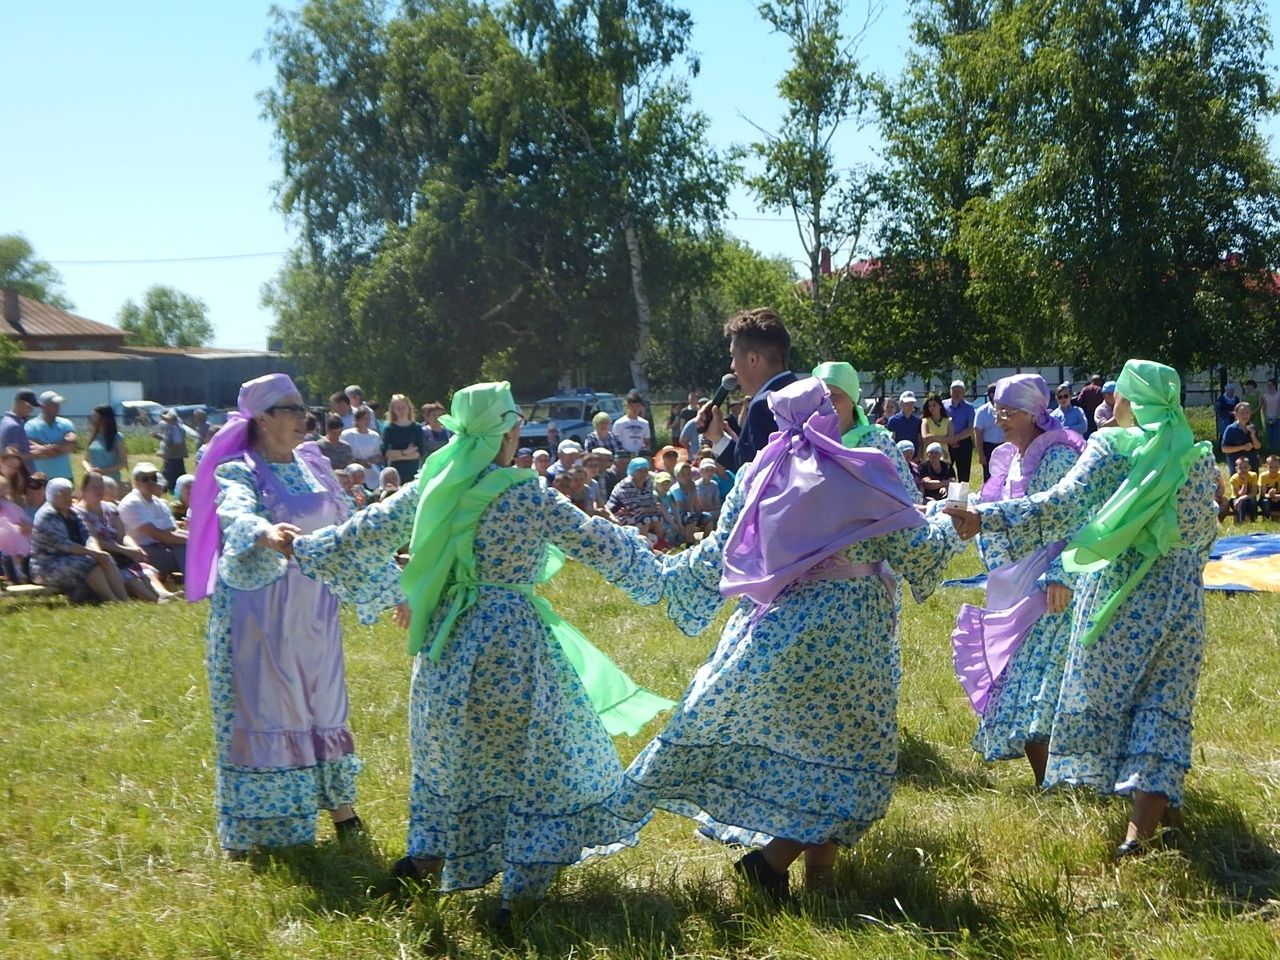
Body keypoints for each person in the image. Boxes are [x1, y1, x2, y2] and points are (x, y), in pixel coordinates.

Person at [293, 381, 671, 921]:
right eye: (515, 422)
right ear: (507, 431)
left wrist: (304, 545)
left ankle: (427, 858)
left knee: (453, 755)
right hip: (511, 641)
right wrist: (667, 573)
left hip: (447, 641)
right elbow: (596, 542)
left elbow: (366, 532)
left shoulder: (433, 482)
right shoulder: (526, 493)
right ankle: (518, 891)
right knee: (533, 762)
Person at [617, 378, 959, 898]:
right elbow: (917, 552)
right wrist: (955, 524)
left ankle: (820, 879)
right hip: (849, 634)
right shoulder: (856, 470)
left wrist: (658, 574)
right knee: (854, 757)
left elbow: (717, 555)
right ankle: (771, 864)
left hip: (780, 631)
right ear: (826, 411)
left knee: (815, 752)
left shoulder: (760, 472)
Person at [946, 360, 1218, 857]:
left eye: (1118, 395)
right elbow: (1203, 535)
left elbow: (1058, 506)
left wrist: (981, 518)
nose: (1108, 403)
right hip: (1182, 603)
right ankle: (1147, 826)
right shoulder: (1195, 456)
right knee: (1163, 704)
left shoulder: (1111, 449)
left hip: (1119, 601)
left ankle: (1135, 814)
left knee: (1110, 707)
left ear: (1131, 401)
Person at [186, 373, 412, 856]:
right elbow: (234, 511)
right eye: (290, 408)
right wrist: (263, 533)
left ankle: (342, 812)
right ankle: (269, 828)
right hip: (262, 610)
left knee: (324, 703)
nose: (302, 416)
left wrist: (396, 584)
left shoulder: (313, 465)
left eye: (301, 406)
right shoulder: (238, 468)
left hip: (314, 608)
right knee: (274, 706)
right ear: (263, 418)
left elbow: (345, 532)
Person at [949, 374, 1086, 784]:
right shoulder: (1009, 458)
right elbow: (996, 508)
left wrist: (1061, 575)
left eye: (1008, 412)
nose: (1000, 419)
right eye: (996, 411)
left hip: (1047, 588)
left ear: (1032, 412)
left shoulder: (1057, 457)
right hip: (1013, 587)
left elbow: (1073, 516)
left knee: (1036, 691)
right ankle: (1053, 785)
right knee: (1020, 689)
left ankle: (1059, 785)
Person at [698, 307, 797, 471]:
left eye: (733, 356)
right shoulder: (812, 395)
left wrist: (718, 438)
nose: (732, 366)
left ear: (752, 359)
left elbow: (753, 476)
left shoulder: (764, 406)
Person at [812, 361, 921, 503]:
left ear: (852, 400)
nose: (826, 401)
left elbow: (911, 497)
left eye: (834, 394)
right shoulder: (807, 445)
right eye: (820, 396)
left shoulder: (878, 443)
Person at [75, 471, 172, 602]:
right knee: (130, 576)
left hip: (121, 553)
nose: (99, 490)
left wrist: (133, 548)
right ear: (83, 490)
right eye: (94, 487)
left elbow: (123, 535)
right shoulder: (78, 513)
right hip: (102, 557)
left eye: (101, 486)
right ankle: (155, 599)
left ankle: (163, 593)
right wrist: (124, 550)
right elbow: (94, 540)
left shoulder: (111, 508)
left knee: (144, 570)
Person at [30, 477, 130, 602]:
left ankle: (124, 599)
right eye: (62, 494)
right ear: (51, 496)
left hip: (70, 559)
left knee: (106, 558)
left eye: (69, 494)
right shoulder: (47, 516)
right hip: (45, 567)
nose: (68, 498)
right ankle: (111, 599)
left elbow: (87, 536)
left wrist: (98, 552)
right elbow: (65, 545)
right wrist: (93, 553)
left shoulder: (72, 513)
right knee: (87, 561)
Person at [118, 461, 188, 579]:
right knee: (187, 548)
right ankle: (195, 578)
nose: (150, 482)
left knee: (187, 547)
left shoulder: (160, 503)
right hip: (143, 551)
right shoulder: (131, 503)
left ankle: (195, 577)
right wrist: (192, 540)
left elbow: (172, 530)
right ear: (136, 482)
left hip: (164, 547)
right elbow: (157, 534)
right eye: (145, 479)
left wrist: (195, 537)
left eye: (153, 478)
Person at [606, 458, 666, 543]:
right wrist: (647, 509)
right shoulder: (626, 485)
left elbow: (652, 502)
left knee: (658, 518)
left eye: (646, 470)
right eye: (640, 470)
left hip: (634, 514)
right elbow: (633, 508)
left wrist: (646, 509)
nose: (643, 473)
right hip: (620, 515)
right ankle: (643, 546)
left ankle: (661, 545)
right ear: (633, 471)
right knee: (645, 520)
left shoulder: (647, 483)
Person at [26, 391, 77, 481]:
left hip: (65, 476)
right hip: (40, 478)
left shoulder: (66, 423)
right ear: (42, 406)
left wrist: (45, 448)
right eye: (53, 404)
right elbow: (33, 451)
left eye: (58, 404)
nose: (57, 407)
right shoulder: (30, 425)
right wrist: (60, 449)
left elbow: (71, 443)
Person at [382, 394, 424, 483]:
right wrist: (405, 452)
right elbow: (386, 453)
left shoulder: (417, 427)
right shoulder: (389, 428)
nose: (401, 410)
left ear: (409, 407)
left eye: (403, 407)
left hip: (412, 470)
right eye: (398, 408)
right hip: (394, 473)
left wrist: (398, 456)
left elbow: (419, 453)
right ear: (393, 410)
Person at [83, 404, 128, 482]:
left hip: (111, 480)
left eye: (94, 417)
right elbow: (85, 459)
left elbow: (123, 462)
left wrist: (102, 471)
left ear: (104, 418)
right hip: (93, 480)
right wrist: (89, 469)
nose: (91, 419)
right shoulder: (93, 437)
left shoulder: (117, 437)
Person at [0, 474, 32, 584]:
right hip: (4, 542)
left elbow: (24, 520)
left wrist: (26, 525)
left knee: (18, 557)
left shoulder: (11, 506)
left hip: (14, 539)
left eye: (3, 488)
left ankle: (19, 575)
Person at [945, 380, 976, 481]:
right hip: (946, 442)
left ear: (964, 393)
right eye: (954, 391)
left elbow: (971, 429)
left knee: (964, 473)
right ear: (950, 392)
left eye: (959, 391)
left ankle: (962, 496)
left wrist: (955, 438)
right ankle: (946, 494)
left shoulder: (969, 408)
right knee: (945, 471)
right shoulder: (943, 405)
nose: (956, 394)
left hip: (964, 443)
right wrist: (950, 440)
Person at [974, 384, 1006, 482]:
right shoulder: (982, 411)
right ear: (991, 395)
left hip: (1004, 446)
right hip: (988, 448)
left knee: (1005, 476)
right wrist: (981, 454)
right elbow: (978, 434)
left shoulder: (1006, 410)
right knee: (989, 477)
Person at [1, 389, 38, 469]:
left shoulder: (6, 421)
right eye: (29, 406)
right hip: (20, 477)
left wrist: (38, 446)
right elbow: (12, 455)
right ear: (21, 403)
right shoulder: (13, 425)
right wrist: (35, 455)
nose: (31, 410)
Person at [152, 408, 188, 492]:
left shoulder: (175, 429)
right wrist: (159, 437)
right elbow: (168, 440)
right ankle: (170, 488)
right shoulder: (172, 427)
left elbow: (177, 444)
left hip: (174, 457)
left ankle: (169, 489)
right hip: (173, 457)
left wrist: (168, 454)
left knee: (171, 474)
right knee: (171, 473)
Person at [341, 407, 383, 474]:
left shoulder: (375, 436)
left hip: (371, 470)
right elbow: (343, 453)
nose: (367, 421)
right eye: (364, 419)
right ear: (357, 420)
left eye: (368, 419)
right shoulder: (347, 434)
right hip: (353, 471)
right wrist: (357, 461)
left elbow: (379, 455)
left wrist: (374, 459)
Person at [1221, 402, 1261, 470]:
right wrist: (1243, 447)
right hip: (1237, 466)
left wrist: (1253, 435)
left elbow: (1258, 446)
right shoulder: (1230, 429)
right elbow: (1224, 449)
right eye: (1242, 412)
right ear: (1236, 414)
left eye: (1247, 412)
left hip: (1251, 465)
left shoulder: (1253, 428)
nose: (1245, 415)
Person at [613, 390, 653, 454]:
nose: (635, 409)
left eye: (637, 406)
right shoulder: (619, 423)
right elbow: (615, 442)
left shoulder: (645, 423)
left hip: (639, 456)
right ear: (627, 406)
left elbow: (647, 442)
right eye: (632, 406)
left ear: (640, 407)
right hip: (624, 456)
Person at [920, 394, 954, 464]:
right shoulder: (925, 421)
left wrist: (933, 437)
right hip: (929, 458)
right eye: (929, 406)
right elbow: (925, 439)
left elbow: (951, 439)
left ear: (940, 406)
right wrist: (944, 438)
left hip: (944, 457)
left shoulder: (948, 421)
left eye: (934, 405)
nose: (932, 408)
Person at [886, 391, 922, 455]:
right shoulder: (893, 420)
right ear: (901, 404)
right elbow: (891, 441)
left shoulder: (918, 421)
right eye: (907, 403)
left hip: (914, 457)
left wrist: (918, 457)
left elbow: (920, 442)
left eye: (912, 403)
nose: (910, 406)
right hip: (898, 457)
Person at [1228, 456, 1258, 524]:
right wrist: (1245, 482)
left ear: (1249, 467)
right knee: (1242, 502)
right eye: (1240, 467)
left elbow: (1253, 492)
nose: (1243, 470)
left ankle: (1253, 520)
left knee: (1252, 500)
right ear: (1236, 469)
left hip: (1248, 497)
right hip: (1236, 498)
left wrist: (1241, 498)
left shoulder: (1253, 475)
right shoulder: (1234, 479)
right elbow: (1241, 494)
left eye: (1245, 467)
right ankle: (1242, 521)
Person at [693, 458, 722, 523]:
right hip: (700, 513)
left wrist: (717, 508)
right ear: (701, 471)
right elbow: (703, 506)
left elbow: (717, 502)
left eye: (712, 470)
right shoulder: (696, 485)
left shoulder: (714, 484)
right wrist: (715, 507)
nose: (710, 472)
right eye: (707, 470)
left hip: (713, 512)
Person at [1259, 455, 1280, 519]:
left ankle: (1276, 517)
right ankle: (1266, 518)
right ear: (1266, 466)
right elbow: (1263, 494)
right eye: (1271, 467)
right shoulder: (1263, 476)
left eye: (1276, 467)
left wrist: (1277, 496)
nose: (1273, 469)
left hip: (1278, 497)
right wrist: (1271, 496)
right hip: (1266, 497)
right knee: (1265, 502)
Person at [1262, 379, 1280, 451]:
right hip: (1268, 417)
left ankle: (1277, 451)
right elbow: (1264, 408)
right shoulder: (1265, 395)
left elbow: (1279, 407)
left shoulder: (1278, 394)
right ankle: (1270, 451)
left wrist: (1275, 417)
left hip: (1278, 417)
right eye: (1268, 385)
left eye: (1270, 384)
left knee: (1277, 434)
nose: (1269, 386)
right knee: (1269, 435)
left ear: (1274, 385)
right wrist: (1265, 417)